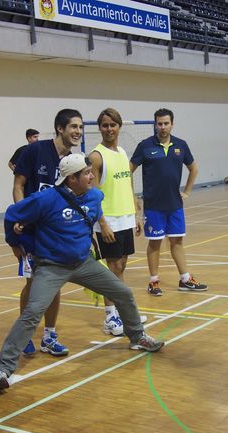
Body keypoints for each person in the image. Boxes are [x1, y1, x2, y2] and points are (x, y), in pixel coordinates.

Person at [0, 154, 164, 391]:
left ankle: (137, 336)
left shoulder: (94, 195)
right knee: (32, 311)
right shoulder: (45, 199)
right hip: (51, 266)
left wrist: (102, 226)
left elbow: (93, 213)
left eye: (91, 172)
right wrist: (14, 244)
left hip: (83, 263)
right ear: (71, 179)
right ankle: (3, 369)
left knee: (123, 292)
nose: (92, 176)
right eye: (86, 173)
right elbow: (12, 215)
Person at [12, 109, 83, 357]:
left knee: (55, 283)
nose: (78, 132)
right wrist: (21, 214)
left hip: (56, 233)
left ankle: (49, 336)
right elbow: (18, 184)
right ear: (60, 128)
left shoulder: (72, 161)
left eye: (80, 127)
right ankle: (24, 336)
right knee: (32, 284)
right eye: (73, 127)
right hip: (31, 232)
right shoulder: (35, 151)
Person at [130, 108, 207, 296]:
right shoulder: (145, 146)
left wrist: (187, 192)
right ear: (155, 124)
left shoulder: (181, 145)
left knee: (177, 242)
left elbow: (194, 168)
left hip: (175, 205)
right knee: (155, 244)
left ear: (172, 124)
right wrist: (133, 198)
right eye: (159, 123)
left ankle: (185, 279)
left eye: (166, 123)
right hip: (153, 206)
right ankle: (154, 281)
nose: (163, 127)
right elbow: (128, 170)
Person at [88, 108, 143, 336]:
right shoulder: (96, 156)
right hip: (108, 220)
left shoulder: (121, 152)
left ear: (119, 126)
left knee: (121, 266)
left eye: (113, 125)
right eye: (105, 125)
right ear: (100, 128)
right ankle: (111, 317)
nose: (109, 129)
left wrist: (135, 214)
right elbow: (92, 193)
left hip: (125, 218)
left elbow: (127, 184)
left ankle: (123, 312)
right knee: (111, 271)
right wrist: (102, 223)